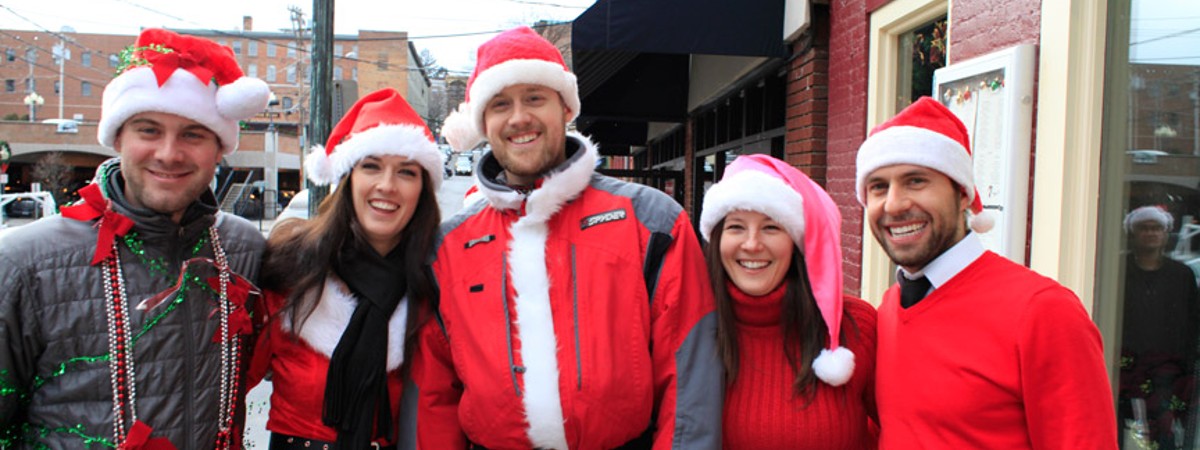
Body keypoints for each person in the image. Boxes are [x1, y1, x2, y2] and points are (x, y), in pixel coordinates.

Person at [411, 26, 722, 449]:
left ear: (565, 108)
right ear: (483, 122)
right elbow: (433, 397)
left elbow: (689, 377)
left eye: (535, 98)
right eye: (501, 104)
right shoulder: (446, 248)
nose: (519, 117)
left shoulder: (652, 221)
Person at [0, 28, 270, 448]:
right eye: (148, 130)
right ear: (117, 139)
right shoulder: (23, 263)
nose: (168, 153)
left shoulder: (245, 250)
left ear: (219, 149)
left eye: (193, 134)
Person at [855, 97, 1118, 448]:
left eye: (916, 181)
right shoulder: (890, 307)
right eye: (878, 187)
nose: (894, 204)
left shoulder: (1042, 311)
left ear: (963, 194)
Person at [247, 88, 443, 450]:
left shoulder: (435, 286)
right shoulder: (292, 270)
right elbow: (225, 384)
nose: (386, 185)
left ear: (423, 189)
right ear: (346, 179)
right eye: (370, 166)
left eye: (406, 172)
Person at [698, 154, 878, 449]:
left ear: (796, 243)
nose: (752, 244)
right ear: (716, 239)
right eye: (736, 227)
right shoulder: (691, 329)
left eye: (771, 227)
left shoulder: (856, 327)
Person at [1117, 205, 1200, 449]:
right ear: (1132, 233)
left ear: (1166, 234)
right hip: (1126, 365)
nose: (1151, 233)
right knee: (1121, 421)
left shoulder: (1181, 275)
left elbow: (1193, 320)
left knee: (1165, 427)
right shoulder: (1119, 271)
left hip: (1169, 368)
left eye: (1156, 228)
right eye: (1144, 228)